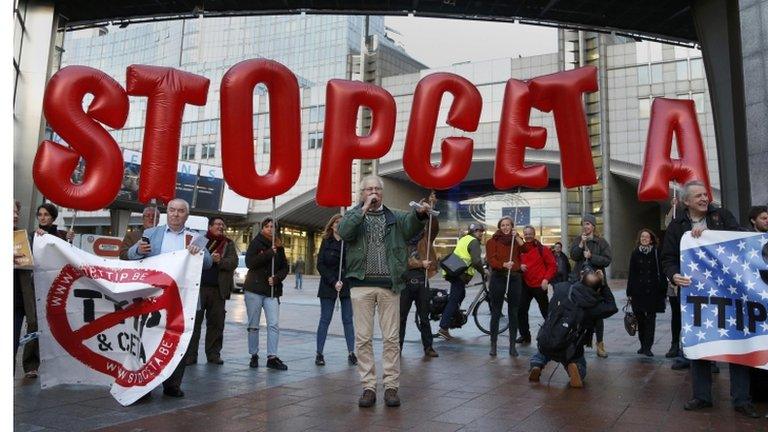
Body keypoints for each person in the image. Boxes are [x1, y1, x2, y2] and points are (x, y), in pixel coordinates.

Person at [660, 180, 758, 418]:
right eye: (698, 196)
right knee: (700, 344)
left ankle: (742, 399)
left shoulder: (722, 216)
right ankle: (702, 397)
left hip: (729, 293)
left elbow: (742, 239)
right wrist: (674, 275)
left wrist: (710, 235)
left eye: (706, 194)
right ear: (686, 201)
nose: (705, 198)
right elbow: (667, 258)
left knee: (737, 343)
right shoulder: (676, 226)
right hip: (697, 295)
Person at [338, 175, 430, 408]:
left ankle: (391, 387)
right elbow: (344, 232)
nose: (374, 192)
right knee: (363, 339)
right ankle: (368, 387)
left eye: (377, 189)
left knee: (391, 338)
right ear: (361, 193)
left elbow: (412, 225)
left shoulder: (396, 216)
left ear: (383, 193)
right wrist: (363, 210)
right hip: (361, 285)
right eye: (369, 189)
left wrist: (420, 213)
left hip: (390, 285)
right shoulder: (353, 215)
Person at [126, 198, 212, 398]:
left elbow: (207, 263)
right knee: (147, 340)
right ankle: (144, 384)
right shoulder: (150, 233)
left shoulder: (195, 236)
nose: (175, 214)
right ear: (167, 213)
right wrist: (138, 251)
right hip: (153, 297)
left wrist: (200, 252)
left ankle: (172, 384)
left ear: (186, 215)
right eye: (172, 210)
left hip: (182, 299)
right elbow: (130, 256)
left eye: (180, 211)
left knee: (177, 341)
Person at [528, 267, 618, 388]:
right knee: (580, 366)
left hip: (548, 338)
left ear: (581, 279)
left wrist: (583, 276)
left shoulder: (562, 288)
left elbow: (550, 309)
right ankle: (574, 368)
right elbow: (612, 306)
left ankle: (537, 364)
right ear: (596, 289)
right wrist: (603, 284)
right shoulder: (592, 305)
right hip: (570, 347)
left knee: (541, 353)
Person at [22, 203, 74, 379]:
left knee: (55, 324)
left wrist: (68, 240)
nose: (42, 218)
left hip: (55, 288)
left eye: (46, 215)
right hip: (35, 286)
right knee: (34, 324)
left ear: (53, 217)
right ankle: (31, 364)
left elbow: (68, 257)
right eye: (40, 215)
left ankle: (56, 362)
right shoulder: (31, 236)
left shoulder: (60, 235)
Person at [186, 217, 238, 365]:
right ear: (210, 226)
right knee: (195, 323)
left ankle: (213, 354)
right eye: (217, 224)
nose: (220, 226)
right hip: (199, 288)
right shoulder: (200, 240)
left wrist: (220, 261)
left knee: (216, 324)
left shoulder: (228, 243)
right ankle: (190, 355)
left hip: (218, 290)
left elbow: (233, 262)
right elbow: (191, 259)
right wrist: (207, 258)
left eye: (223, 224)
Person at [244, 217, 289, 371]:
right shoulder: (256, 242)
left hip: (271, 291)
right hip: (254, 290)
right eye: (268, 226)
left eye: (273, 226)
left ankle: (272, 357)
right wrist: (268, 253)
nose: (271, 229)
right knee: (253, 325)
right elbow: (250, 263)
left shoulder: (279, 245)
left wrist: (276, 278)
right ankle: (254, 354)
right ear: (263, 228)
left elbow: (285, 267)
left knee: (274, 324)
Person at [399, 193, 440, 358]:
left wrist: (431, 209)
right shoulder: (401, 237)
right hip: (405, 281)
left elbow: (434, 228)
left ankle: (428, 347)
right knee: (401, 318)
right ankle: (397, 347)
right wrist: (419, 264)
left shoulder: (426, 237)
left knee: (424, 316)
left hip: (422, 280)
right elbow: (400, 261)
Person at [315, 214, 357, 367]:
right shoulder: (326, 241)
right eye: (336, 223)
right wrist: (333, 281)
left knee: (348, 320)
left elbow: (353, 264)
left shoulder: (348, 242)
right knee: (325, 319)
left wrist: (344, 280)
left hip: (345, 285)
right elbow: (320, 265)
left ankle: (351, 352)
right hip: (328, 285)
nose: (338, 225)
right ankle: (319, 353)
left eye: (341, 223)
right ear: (331, 225)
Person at [570, 214, 612, 358]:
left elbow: (607, 260)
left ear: (593, 226)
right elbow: (574, 256)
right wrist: (581, 244)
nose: (585, 226)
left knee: (597, 315)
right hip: (580, 283)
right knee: (579, 314)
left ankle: (599, 344)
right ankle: (578, 343)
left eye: (588, 224)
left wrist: (591, 257)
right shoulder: (578, 240)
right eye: (584, 224)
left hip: (596, 284)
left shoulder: (601, 242)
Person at [438, 223, 486, 341]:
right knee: (455, 299)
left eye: (482, 231)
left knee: (460, 295)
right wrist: (484, 272)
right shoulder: (474, 242)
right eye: (479, 231)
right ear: (474, 232)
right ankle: (443, 328)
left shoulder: (465, 239)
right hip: (458, 273)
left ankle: (453, 316)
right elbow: (476, 261)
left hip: (453, 271)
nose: (481, 233)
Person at [485, 216, 524, 356]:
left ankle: (512, 346)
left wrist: (518, 237)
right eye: (503, 225)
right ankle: (493, 344)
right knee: (496, 312)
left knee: (513, 312)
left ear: (512, 226)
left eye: (508, 225)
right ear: (499, 227)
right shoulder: (492, 241)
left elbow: (525, 250)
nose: (505, 227)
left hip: (514, 278)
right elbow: (491, 259)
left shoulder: (516, 240)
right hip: (498, 278)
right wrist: (503, 265)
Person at [626, 228, 666, 357]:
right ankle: (642, 345)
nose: (644, 239)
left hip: (653, 291)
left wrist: (663, 290)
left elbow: (661, 270)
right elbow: (631, 273)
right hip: (638, 292)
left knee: (650, 320)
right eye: (642, 236)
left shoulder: (656, 252)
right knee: (640, 319)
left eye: (647, 237)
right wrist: (629, 292)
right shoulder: (635, 253)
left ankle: (648, 347)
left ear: (651, 239)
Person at [516, 226, 557, 345]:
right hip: (525, 284)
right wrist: (519, 267)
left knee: (545, 310)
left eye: (530, 234)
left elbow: (552, 266)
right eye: (526, 234)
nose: (528, 236)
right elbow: (516, 263)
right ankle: (525, 335)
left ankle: (554, 333)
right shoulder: (520, 250)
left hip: (539, 285)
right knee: (521, 310)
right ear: (523, 235)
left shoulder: (542, 249)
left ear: (534, 235)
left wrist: (546, 279)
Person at [13, 200, 34, 371]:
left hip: (16, 304)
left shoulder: (21, 237)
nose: (15, 216)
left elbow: (28, 264)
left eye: (17, 212)